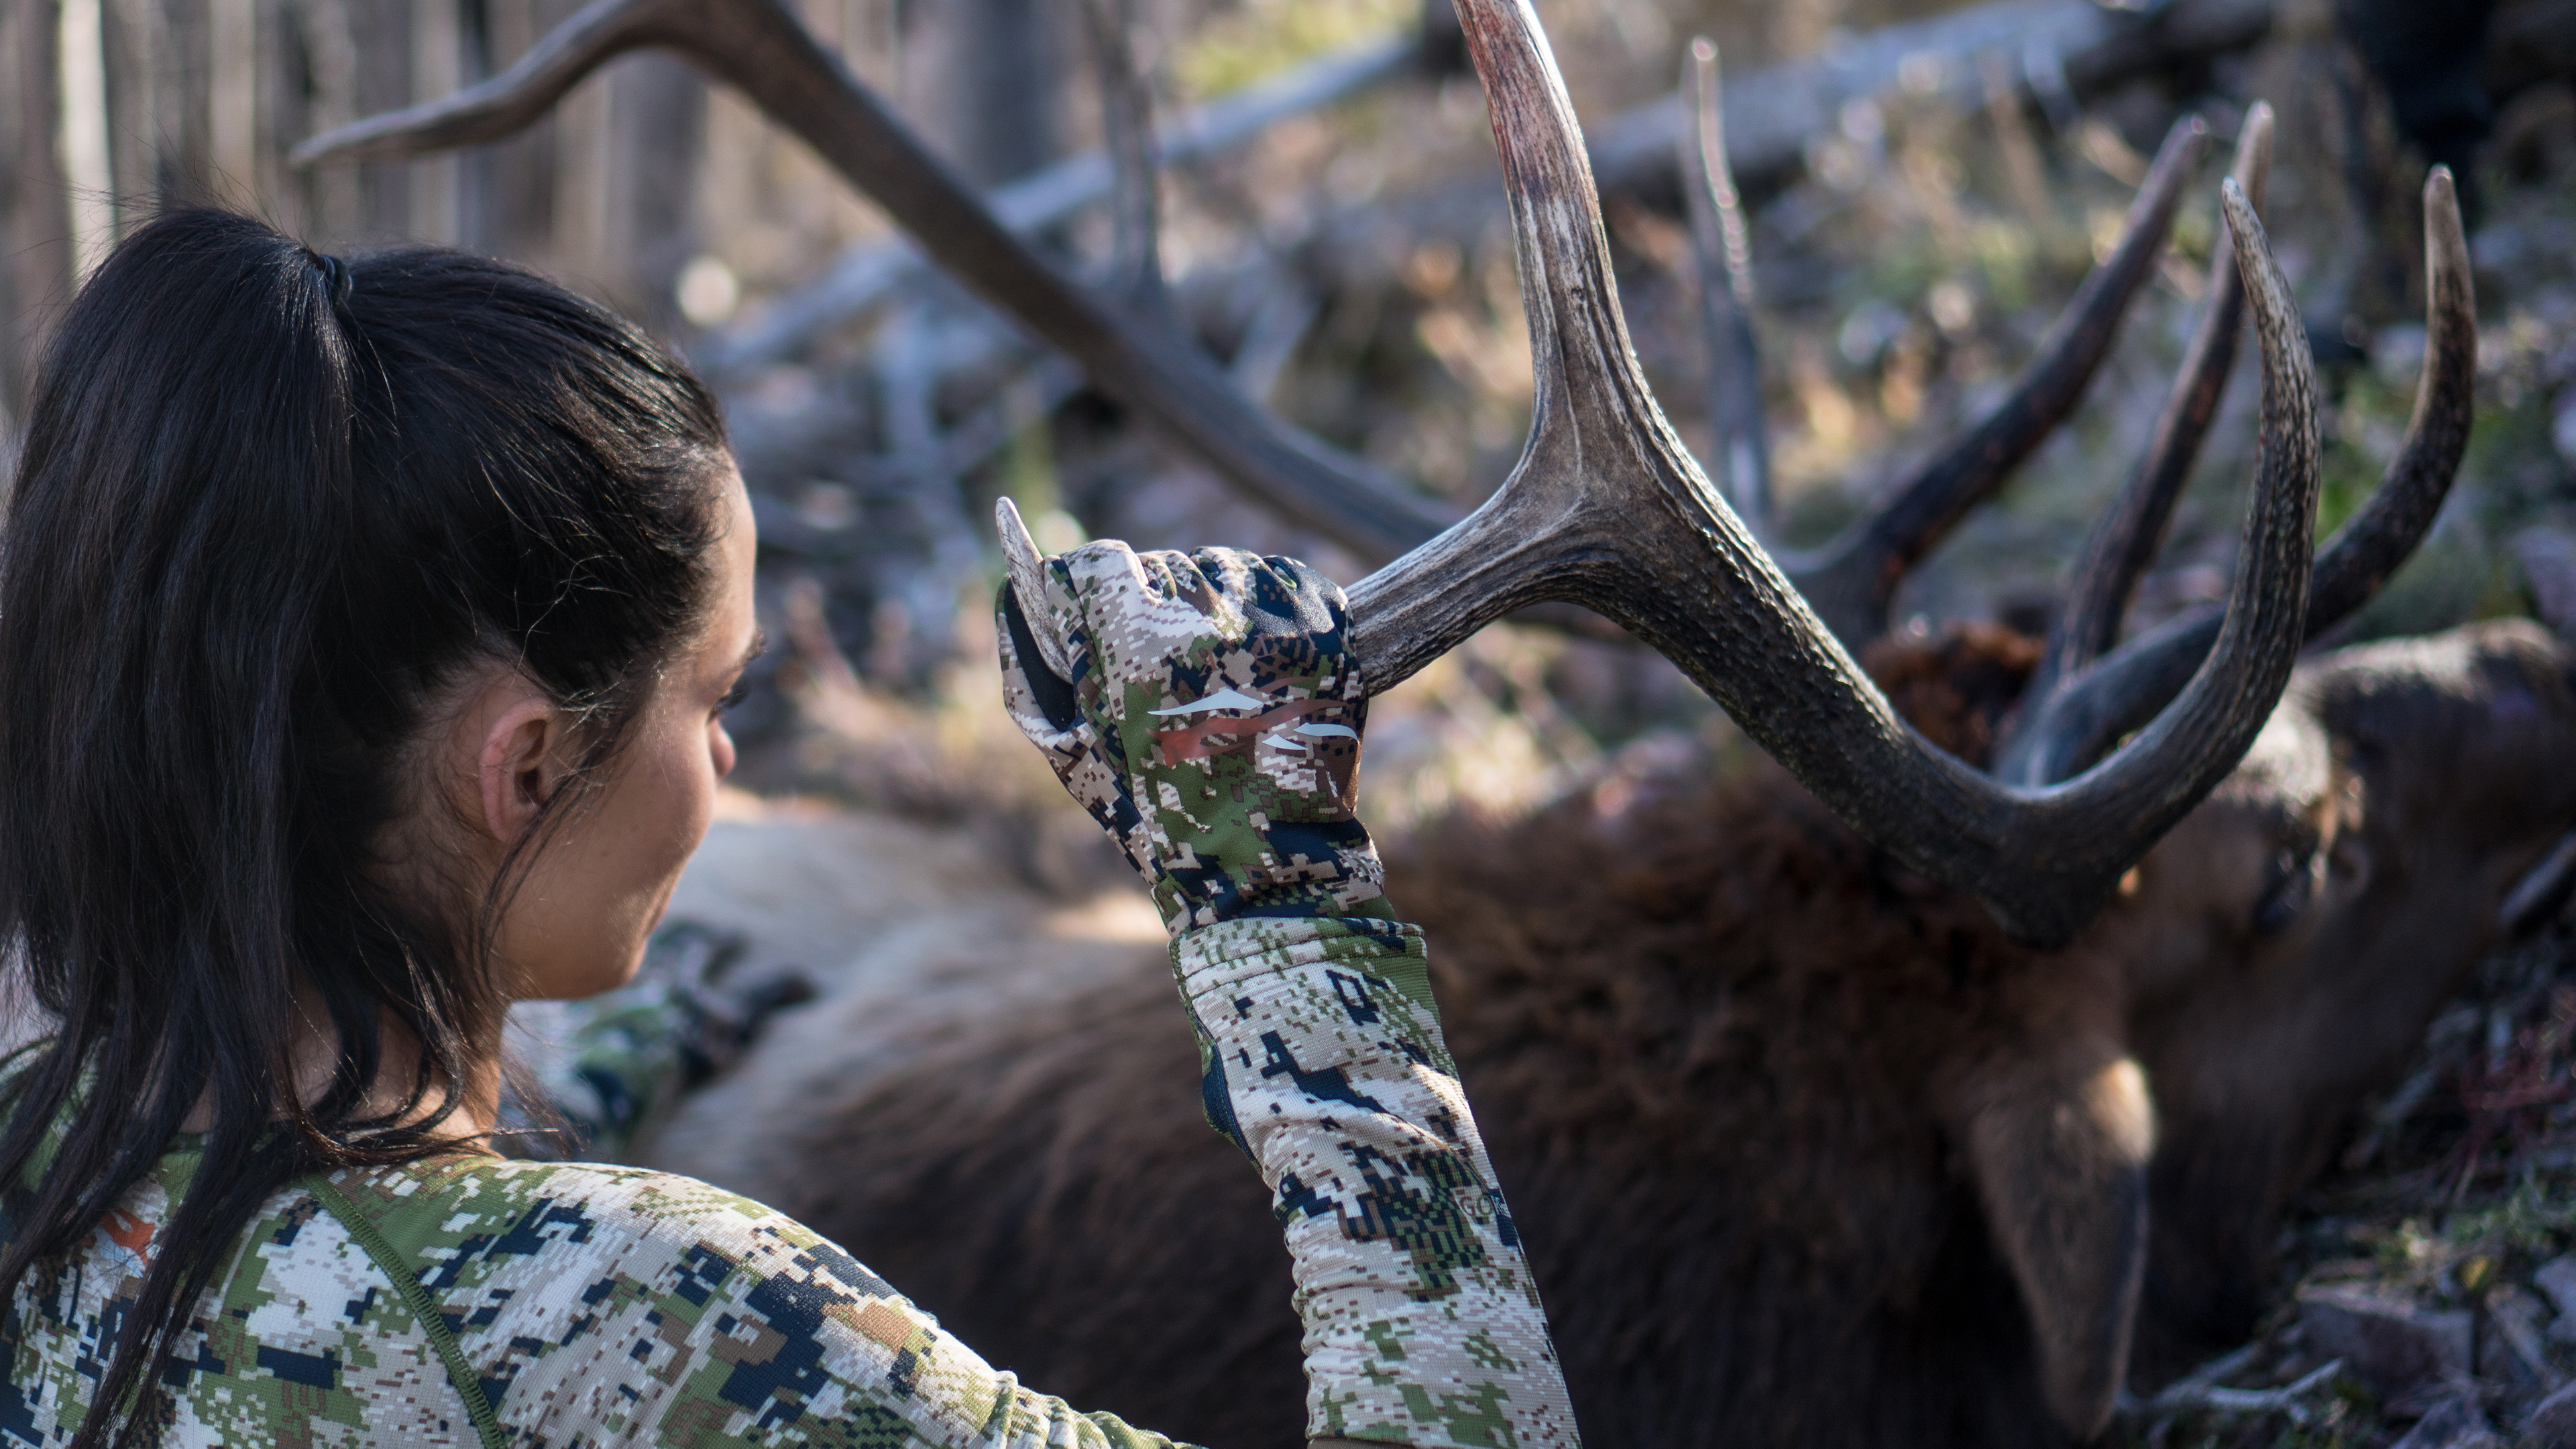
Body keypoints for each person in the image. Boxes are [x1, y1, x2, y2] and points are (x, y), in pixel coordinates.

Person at [0, 209, 1577, 1449]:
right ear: (530, 769)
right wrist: (1279, 897)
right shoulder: (645, 1309)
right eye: (712, 694)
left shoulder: (44, 1165)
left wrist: (604, 1080)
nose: (730, 757)